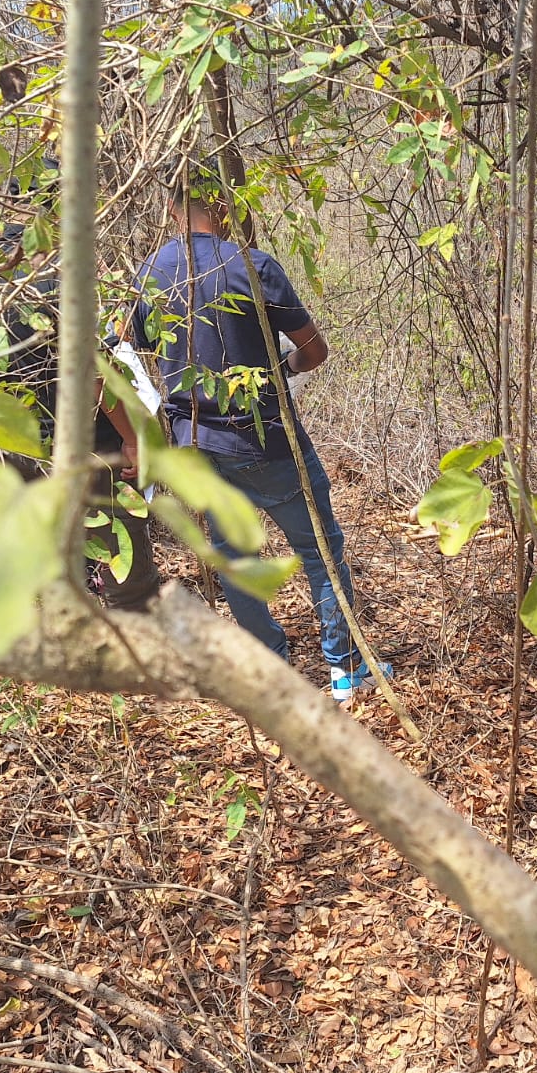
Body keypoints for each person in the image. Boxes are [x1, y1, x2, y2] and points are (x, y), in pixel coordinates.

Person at [126, 159, 387, 701]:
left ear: (172, 208)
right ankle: (345, 669)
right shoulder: (253, 265)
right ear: (224, 205)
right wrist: (280, 370)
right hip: (266, 439)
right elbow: (314, 350)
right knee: (319, 550)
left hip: (196, 445)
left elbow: (127, 345)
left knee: (237, 558)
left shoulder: (151, 272)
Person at [0, 172, 162, 611]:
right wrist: (133, 438)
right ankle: (136, 658)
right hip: (89, 444)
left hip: (20, 442)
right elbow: (91, 369)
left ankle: (79, 647)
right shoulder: (55, 273)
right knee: (124, 564)